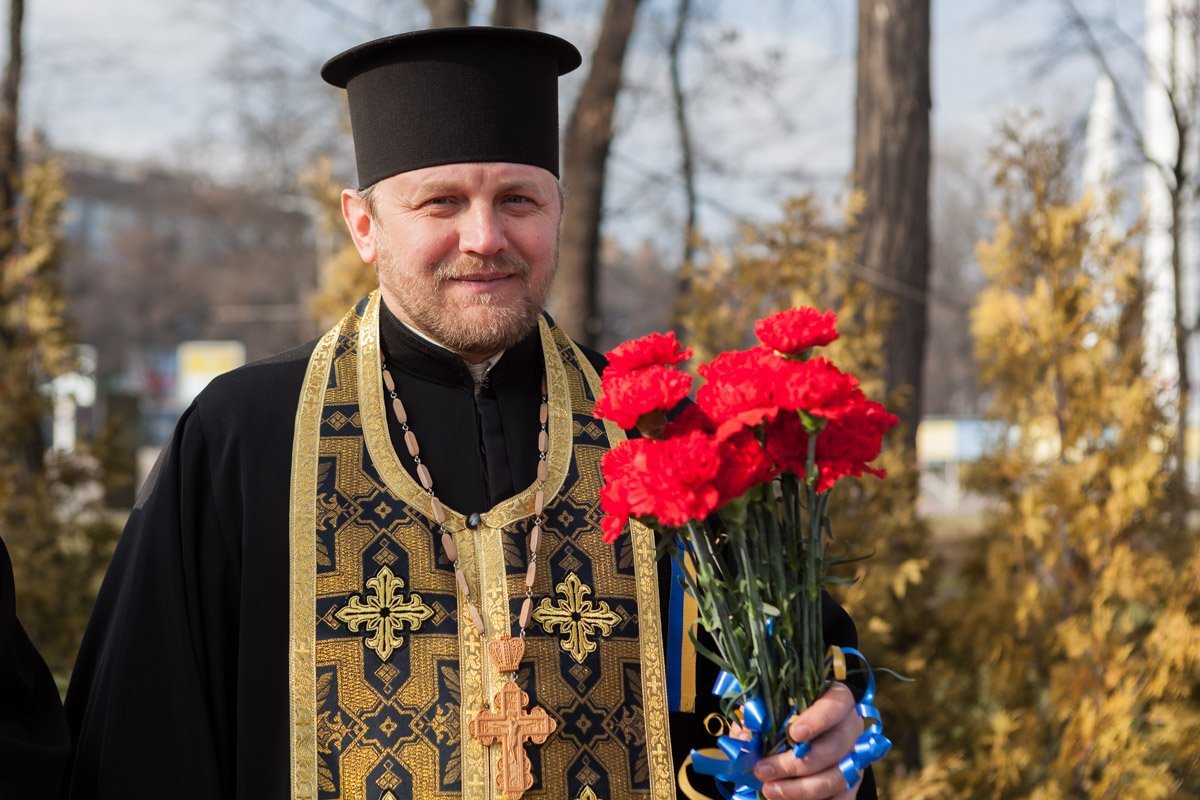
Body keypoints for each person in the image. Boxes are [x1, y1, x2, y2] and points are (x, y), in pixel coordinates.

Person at [62, 26, 876, 800]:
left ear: (559, 210)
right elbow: (144, 740)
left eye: (518, 199)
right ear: (363, 225)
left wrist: (825, 747)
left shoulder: (663, 437)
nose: (484, 237)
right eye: (441, 203)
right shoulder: (245, 434)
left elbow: (793, 697)